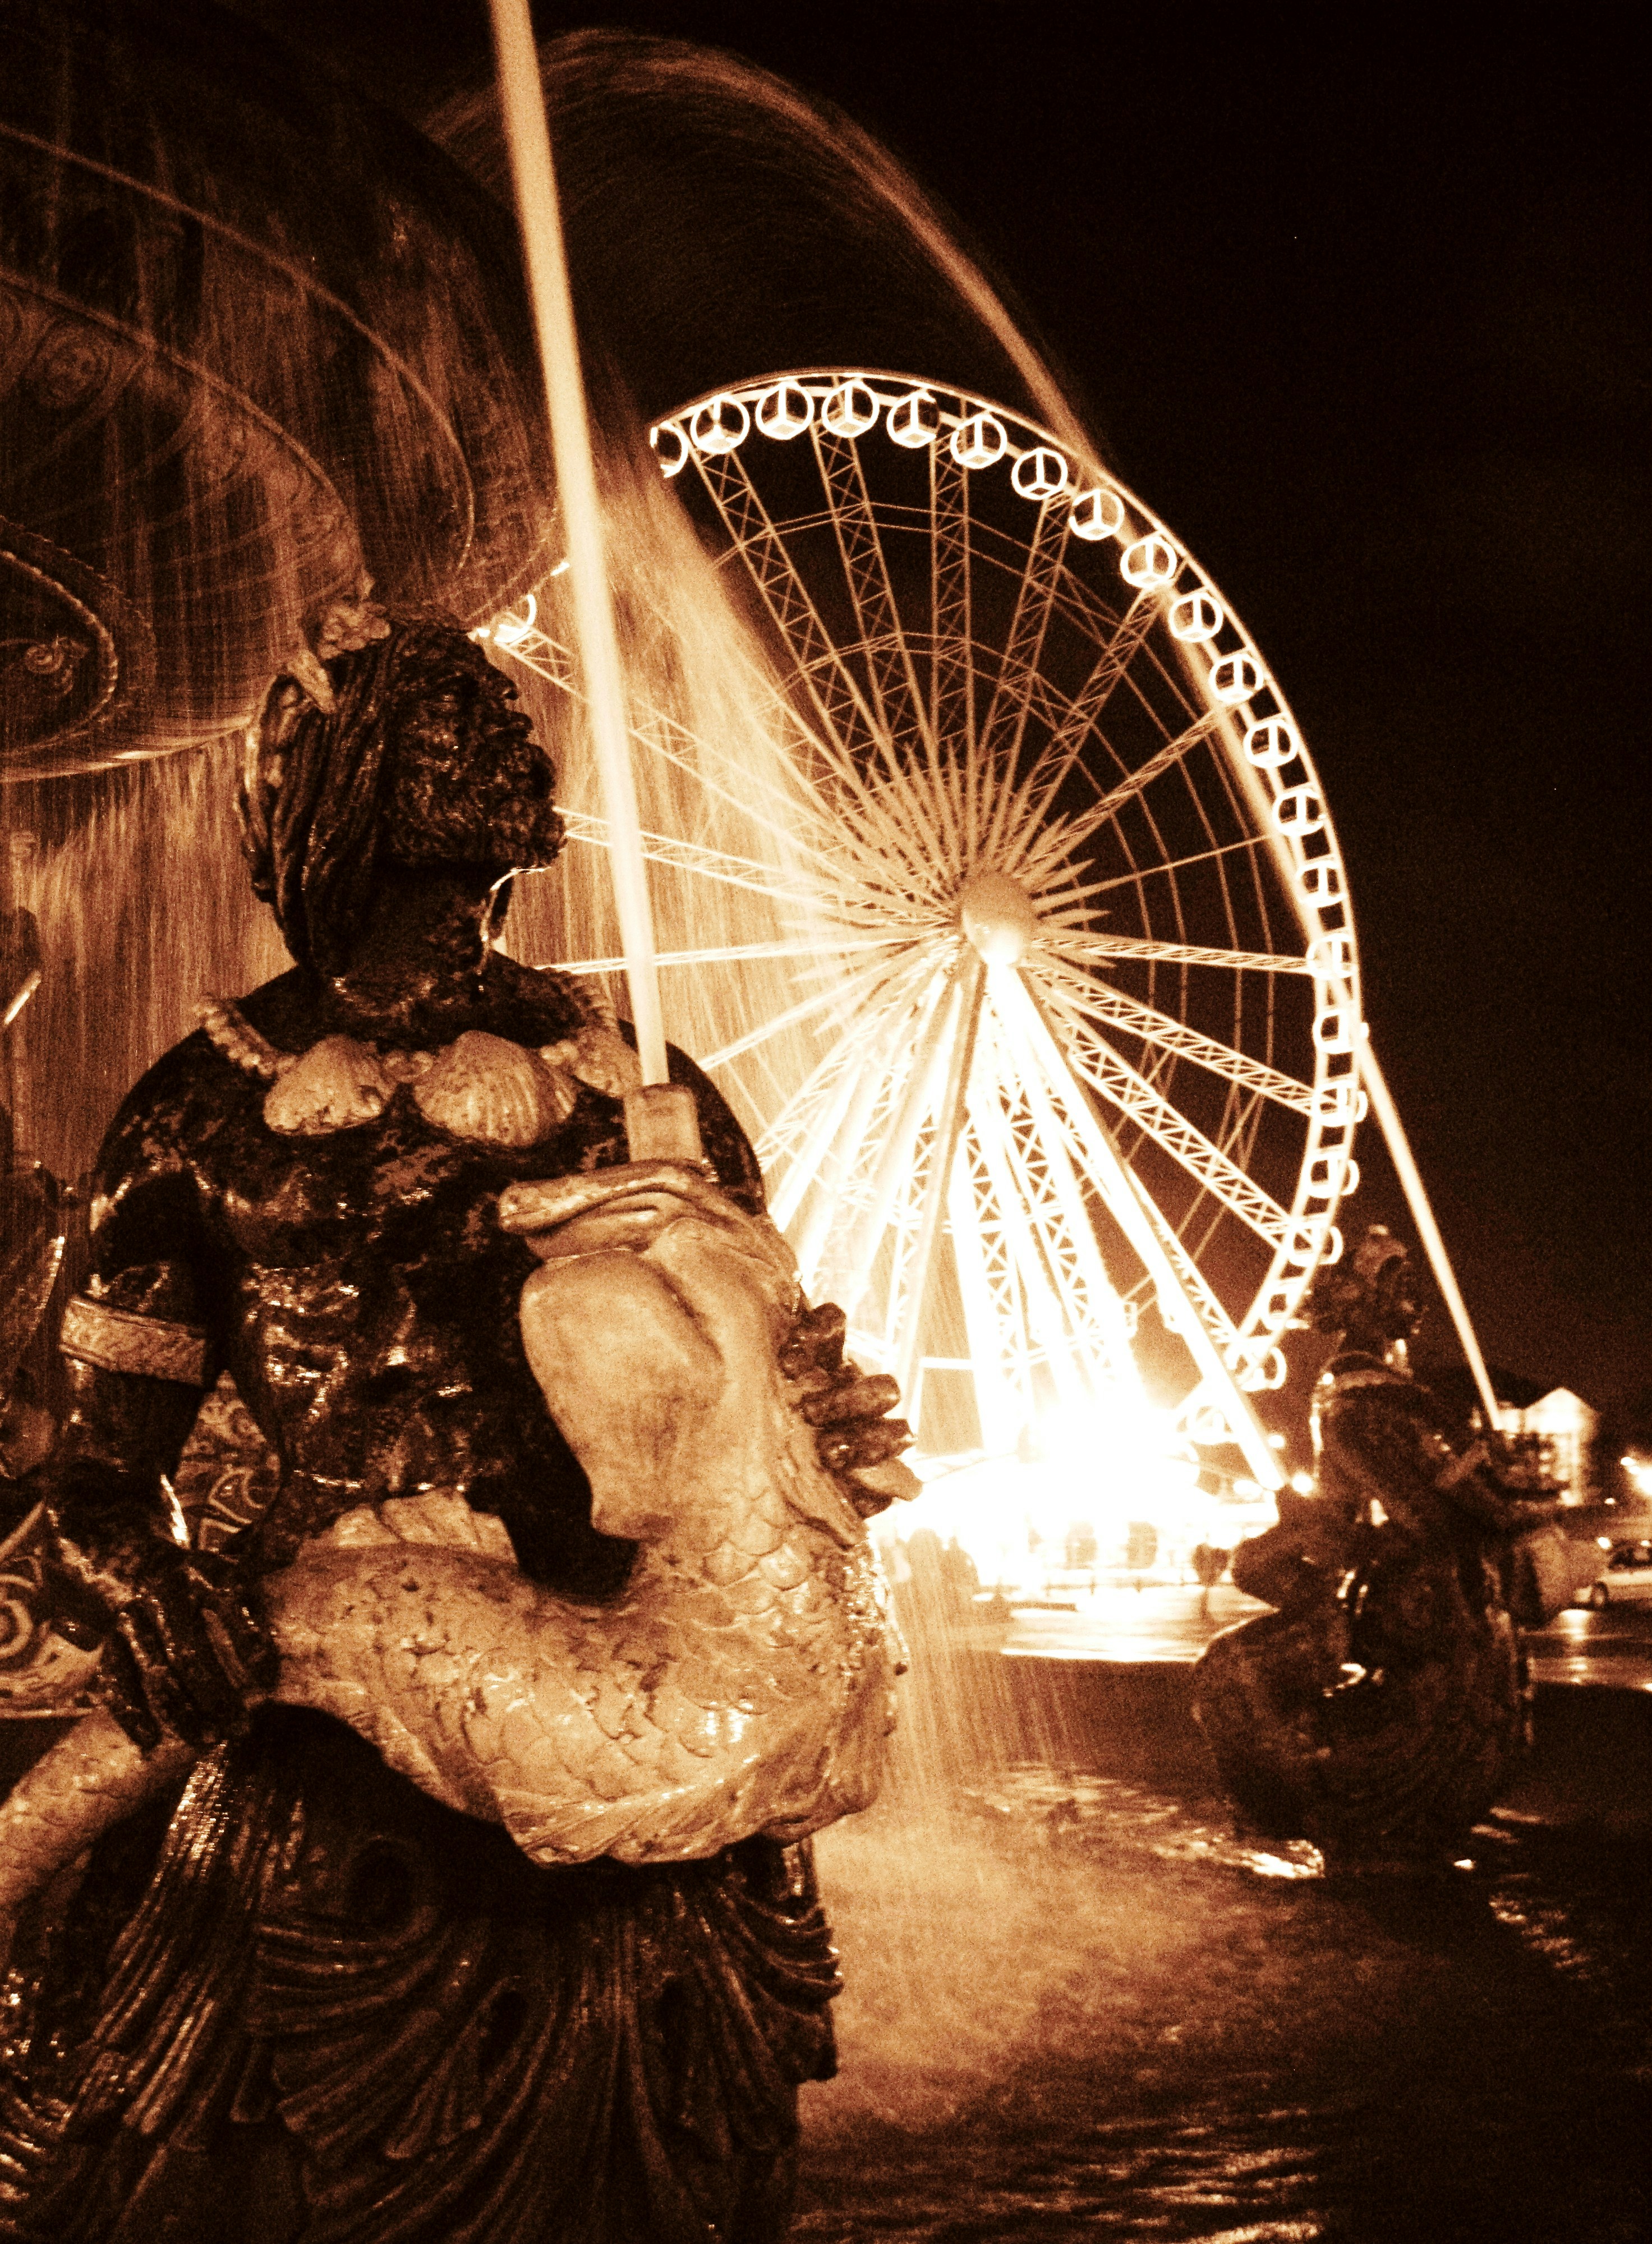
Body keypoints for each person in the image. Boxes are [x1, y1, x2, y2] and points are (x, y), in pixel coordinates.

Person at [0, 594, 909, 2243]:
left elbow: (759, 1385)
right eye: (437, 729)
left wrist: (823, 1421)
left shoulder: (642, 1094)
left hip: (614, 1726)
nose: (499, 738)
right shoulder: (207, 1111)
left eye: (492, 715)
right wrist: (151, 1590)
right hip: (335, 1750)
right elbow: (99, 1487)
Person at [1192, 1226, 1561, 1868]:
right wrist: (1502, 1499)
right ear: (1362, 1300)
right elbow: (1424, 1513)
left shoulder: (1367, 1392)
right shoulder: (1364, 1400)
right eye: (1399, 1284)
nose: (1415, 1298)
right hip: (1428, 1606)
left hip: (1415, 1600)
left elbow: (1374, 1516)